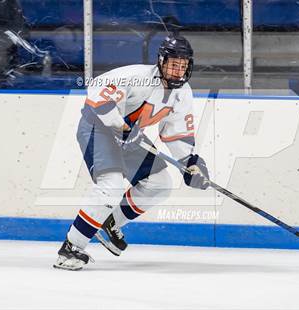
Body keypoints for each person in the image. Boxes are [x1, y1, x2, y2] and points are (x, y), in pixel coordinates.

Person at [53, 34, 210, 271]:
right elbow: (98, 92)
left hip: (129, 136)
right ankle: (71, 248)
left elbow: (176, 132)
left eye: (183, 65)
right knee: (111, 185)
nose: (178, 70)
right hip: (99, 128)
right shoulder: (138, 77)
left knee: (159, 183)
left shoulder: (182, 92)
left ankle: (111, 221)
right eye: (173, 64)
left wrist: (191, 162)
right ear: (161, 60)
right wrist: (121, 126)